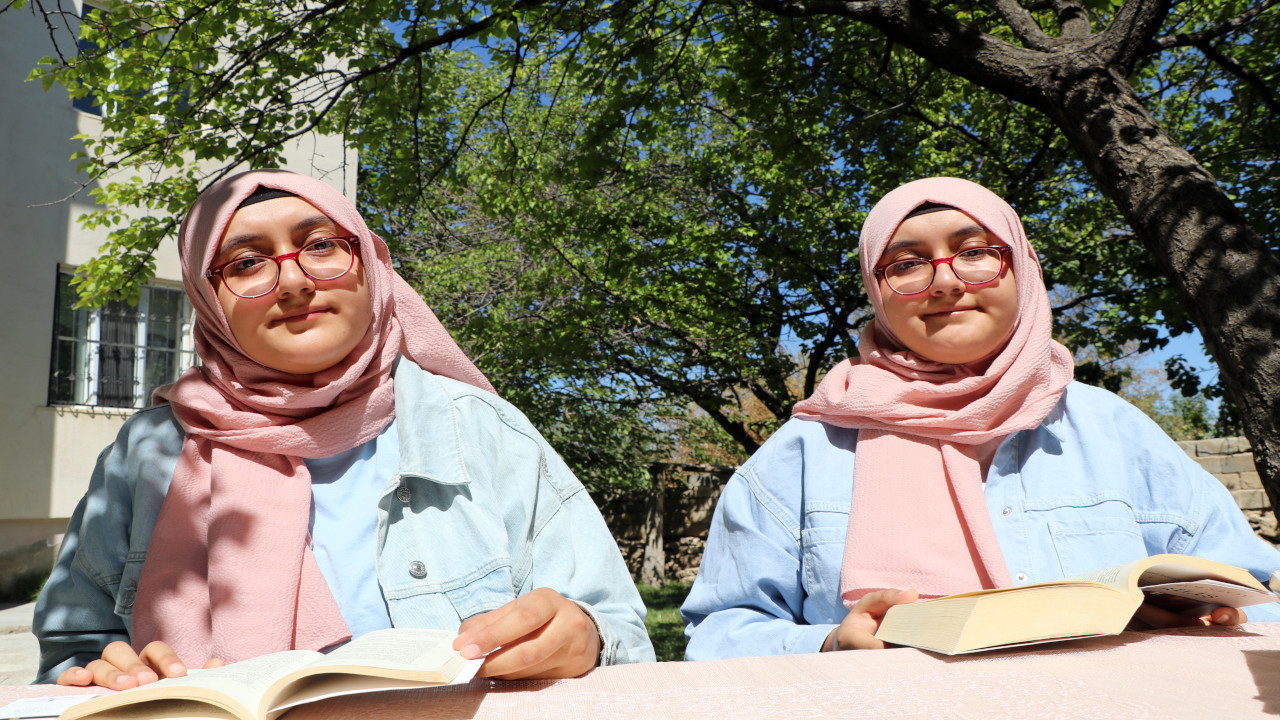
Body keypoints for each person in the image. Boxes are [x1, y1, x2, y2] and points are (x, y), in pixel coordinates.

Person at [34, 169, 654, 688]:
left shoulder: (484, 433)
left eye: (322, 245)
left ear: (370, 265)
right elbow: (76, 651)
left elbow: (619, 631)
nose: (297, 280)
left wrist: (585, 640)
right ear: (207, 300)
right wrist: (102, 674)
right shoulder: (145, 455)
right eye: (247, 262)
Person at [680, 176, 1280, 659]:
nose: (945, 281)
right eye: (907, 263)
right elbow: (716, 635)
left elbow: (1258, 595)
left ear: (1021, 268)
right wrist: (830, 641)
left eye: (974, 252)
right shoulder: (806, 451)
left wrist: (1213, 618)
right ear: (877, 291)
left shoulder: (1113, 431)